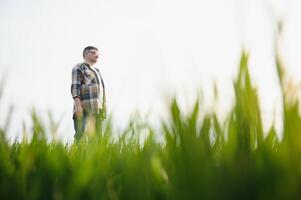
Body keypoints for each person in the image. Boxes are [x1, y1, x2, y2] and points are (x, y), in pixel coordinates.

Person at [71, 46, 106, 141]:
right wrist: (78, 106)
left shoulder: (97, 72)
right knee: (80, 135)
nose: (97, 54)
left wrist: (103, 109)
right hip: (84, 108)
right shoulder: (79, 67)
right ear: (86, 54)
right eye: (94, 52)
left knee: (97, 139)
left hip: (97, 109)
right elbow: (75, 87)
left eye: (98, 53)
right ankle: (75, 154)